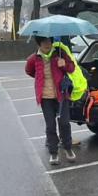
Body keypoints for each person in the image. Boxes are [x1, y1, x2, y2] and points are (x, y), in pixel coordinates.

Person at [25, 36, 76, 165]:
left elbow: (72, 68)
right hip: (45, 97)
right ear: (39, 44)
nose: (47, 44)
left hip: (61, 95)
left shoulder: (59, 53)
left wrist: (64, 65)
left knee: (64, 123)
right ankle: (53, 153)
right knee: (50, 125)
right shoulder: (33, 59)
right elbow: (29, 71)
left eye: (49, 41)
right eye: (44, 42)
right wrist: (40, 79)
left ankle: (68, 148)